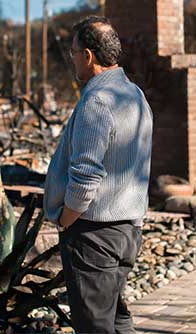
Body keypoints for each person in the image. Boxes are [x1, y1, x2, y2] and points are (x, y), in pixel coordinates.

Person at [43, 16, 153, 334]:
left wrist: (65, 219)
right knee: (117, 321)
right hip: (127, 231)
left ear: (88, 56)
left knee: (94, 327)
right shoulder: (135, 96)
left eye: (74, 52)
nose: (73, 59)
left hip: (93, 233)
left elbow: (86, 176)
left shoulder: (97, 101)